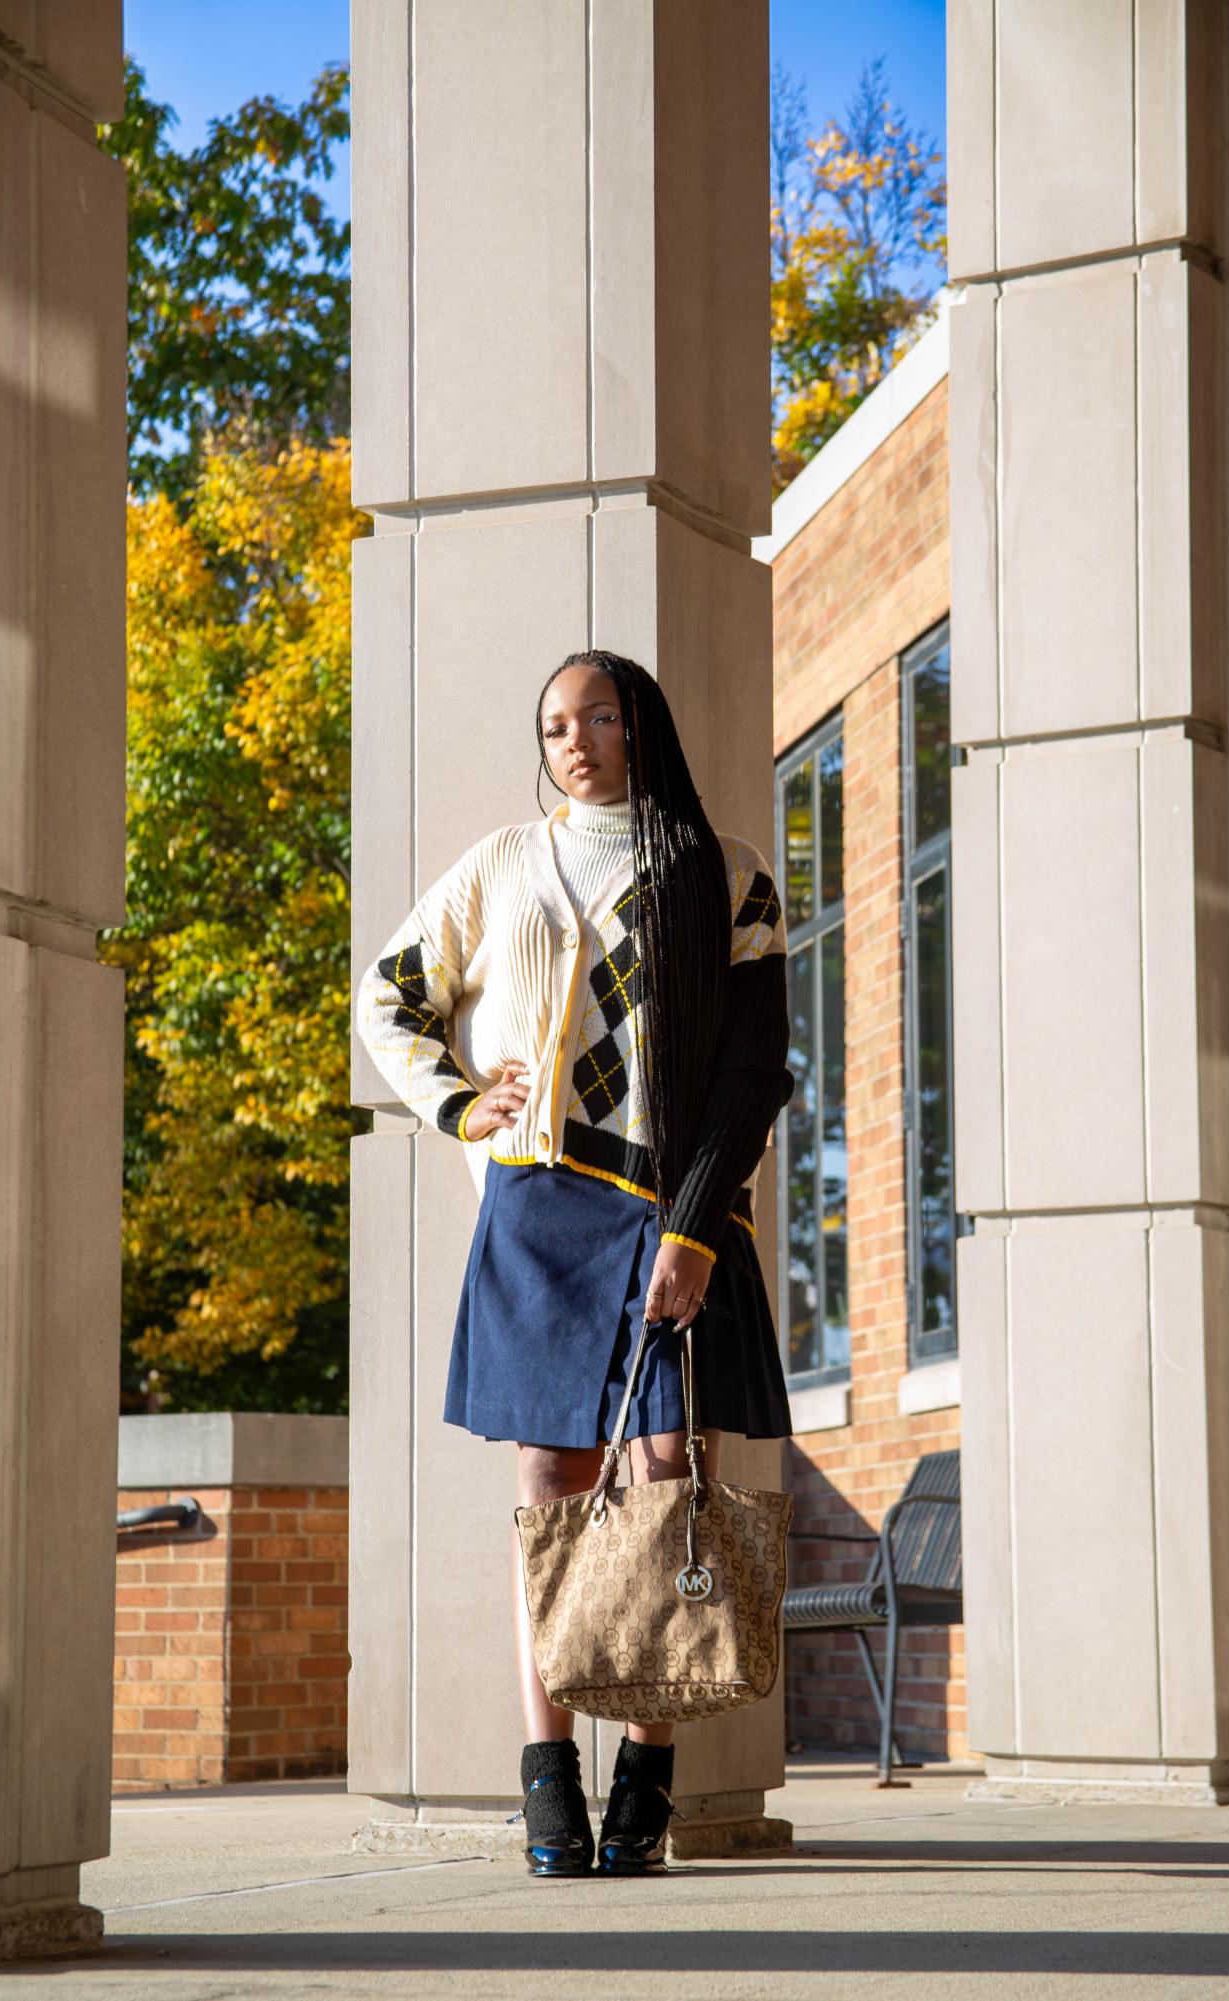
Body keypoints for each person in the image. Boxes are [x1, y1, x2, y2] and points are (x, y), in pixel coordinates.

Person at [355, 647, 794, 1877]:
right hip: (541, 1203)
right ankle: (548, 1781)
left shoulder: (731, 878)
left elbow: (753, 1073)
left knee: (666, 1479)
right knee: (550, 1476)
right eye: (553, 725)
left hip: (673, 1209)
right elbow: (388, 998)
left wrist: (696, 1232)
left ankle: (644, 1783)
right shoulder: (502, 863)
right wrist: (457, 1106)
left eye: (598, 715)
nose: (575, 740)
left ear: (641, 724)